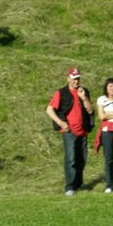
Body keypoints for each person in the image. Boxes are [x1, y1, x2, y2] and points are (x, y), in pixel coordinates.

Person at [46, 67, 95, 197]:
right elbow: (49, 110)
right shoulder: (61, 93)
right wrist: (61, 123)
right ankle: (70, 186)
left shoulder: (84, 91)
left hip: (82, 130)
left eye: (78, 78)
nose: (76, 81)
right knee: (71, 159)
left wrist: (84, 98)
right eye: (73, 79)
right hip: (69, 131)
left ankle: (79, 184)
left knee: (82, 158)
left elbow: (90, 111)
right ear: (68, 79)